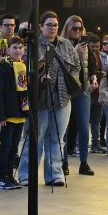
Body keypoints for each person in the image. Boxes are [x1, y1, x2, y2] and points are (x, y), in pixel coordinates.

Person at [22, 11, 78, 186]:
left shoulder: (67, 45)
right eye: (49, 25)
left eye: (55, 25)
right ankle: (27, 174)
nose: (53, 28)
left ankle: (55, 174)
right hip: (39, 98)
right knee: (34, 138)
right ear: (40, 27)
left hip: (62, 97)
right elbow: (25, 68)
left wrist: (71, 80)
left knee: (57, 138)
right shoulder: (32, 45)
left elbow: (77, 67)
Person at [63, 16, 99, 175]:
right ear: (68, 28)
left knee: (84, 127)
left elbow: (91, 64)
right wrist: (74, 52)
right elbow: (60, 66)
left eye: (80, 28)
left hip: (83, 89)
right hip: (65, 89)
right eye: (74, 28)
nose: (77, 31)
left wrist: (94, 78)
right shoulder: (62, 44)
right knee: (64, 128)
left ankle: (84, 162)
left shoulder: (86, 46)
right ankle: (63, 163)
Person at [0, 35, 29, 189]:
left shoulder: (23, 66)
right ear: (8, 49)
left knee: (14, 148)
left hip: (19, 114)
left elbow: (25, 90)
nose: (18, 50)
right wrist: (0, 116)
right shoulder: (2, 67)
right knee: (6, 147)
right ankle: (1, 178)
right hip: (7, 114)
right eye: (14, 47)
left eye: (20, 47)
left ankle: (9, 176)